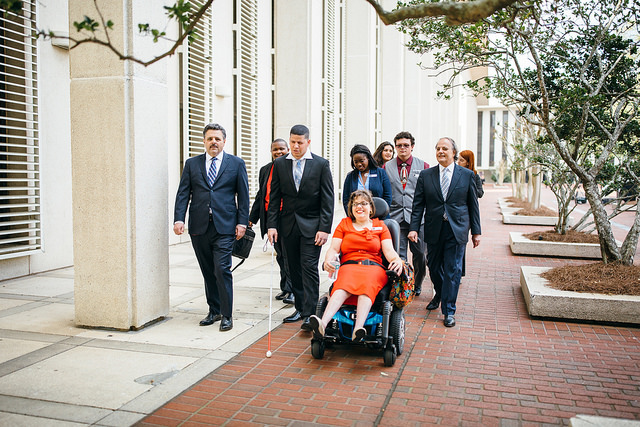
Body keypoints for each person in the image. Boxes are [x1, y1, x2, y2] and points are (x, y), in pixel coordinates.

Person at [173, 123, 250, 332]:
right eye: (210, 138)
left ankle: (227, 314)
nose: (214, 142)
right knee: (208, 271)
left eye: (217, 138)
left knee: (222, 269)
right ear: (204, 141)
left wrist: (242, 222)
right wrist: (178, 219)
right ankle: (213, 310)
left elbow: (243, 196)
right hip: (199, 227)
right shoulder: (192, 164)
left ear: (224, 141)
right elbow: (183, 193)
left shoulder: (236, 164)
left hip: (225, 226)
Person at [309, 190, 403, 341]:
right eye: (355, 204)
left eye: (364, 204)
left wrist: (397, 260)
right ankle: (322, 323)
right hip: (349, 265)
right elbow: (334, 249)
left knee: (367, 283)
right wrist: (328, 260)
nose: (359, 207)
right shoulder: (344, 224)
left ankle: (358, 328)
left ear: (371, 208)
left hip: (374, 267)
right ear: (351, 208)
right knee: (341, 286)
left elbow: (389, 251)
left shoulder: (381, 226)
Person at [267, 124, 334, 332]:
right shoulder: (279, 164)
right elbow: (274, 197)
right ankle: (300, 308)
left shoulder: (321, 164)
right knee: (292, 268)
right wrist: (271, 225)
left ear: (308, 142)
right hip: (287, 226)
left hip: (313, 227)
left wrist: (324, 228)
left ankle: (311, 312)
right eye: (293, 142)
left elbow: (328, 199)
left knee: (309, 267)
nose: (295, 146)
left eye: (300, 143)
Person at [409, 137, 481, 327]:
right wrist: (414, 228)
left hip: (457, 228)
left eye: (445, 148)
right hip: (433, 228)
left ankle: (449, 310)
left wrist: (476, 232)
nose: (441, 151)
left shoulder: (466, 175)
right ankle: (440, 293)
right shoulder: (426, 175)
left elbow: (473, 205)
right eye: (438, 148)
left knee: (453, 269)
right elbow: (418, 205)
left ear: (453, 152)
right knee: (433, 265)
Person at [383, 131, 429, 297]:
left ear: (412, 147)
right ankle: (403, 286)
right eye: (399, 145)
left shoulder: (423, 166)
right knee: (399, 255)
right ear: (395, 147)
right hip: (395, 218)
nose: (402, 148)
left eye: (406, 145)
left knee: (420, 255)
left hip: (417, 218)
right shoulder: (386, 167)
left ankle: (417, 282)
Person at [249, 138, 293, 304]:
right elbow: (261, 196)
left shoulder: (291, 168)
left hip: (287, 218)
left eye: (282, 149)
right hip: (271, 219)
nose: (279, 152)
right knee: (280, 255)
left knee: (289, 255)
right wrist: (252, 219)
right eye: (275, 149)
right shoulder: (265, 170)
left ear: (288, 149)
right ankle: (285, 287)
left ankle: (293, 290)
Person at [342, 144, 392, 215]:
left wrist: (382, 212)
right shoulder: (350, 176)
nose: (359, 164)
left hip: (379, 217)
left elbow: (388, 196)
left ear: (368, 158)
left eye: (362, 161)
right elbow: (346, 199)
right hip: (357, 218)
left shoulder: (380, 173)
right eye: (356, 162)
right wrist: (351, 216)